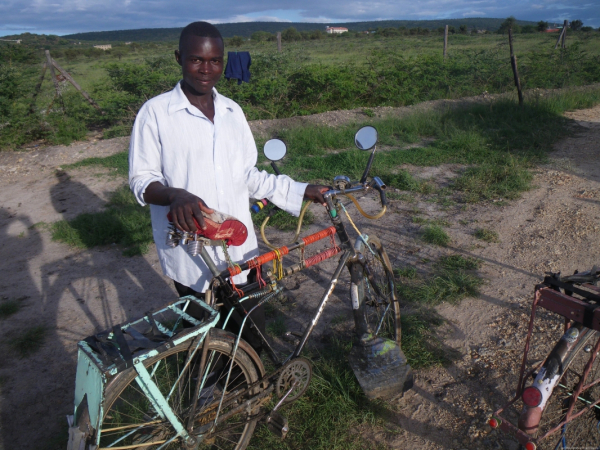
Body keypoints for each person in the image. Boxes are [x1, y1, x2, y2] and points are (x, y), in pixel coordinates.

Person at [128, 21, 328, 351]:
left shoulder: (232, 112)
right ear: (178, 58)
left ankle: (248, 386)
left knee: (252, 332)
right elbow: (141, 180)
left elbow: (247, 175)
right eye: (196, 60)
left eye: (215, 61)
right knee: (208, 335)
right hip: (192, 249)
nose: (206, 69)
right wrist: (175, 194)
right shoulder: (156, 113)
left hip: (238, 246)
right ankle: (215, 392)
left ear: (224, 61)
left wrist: (300, 189)